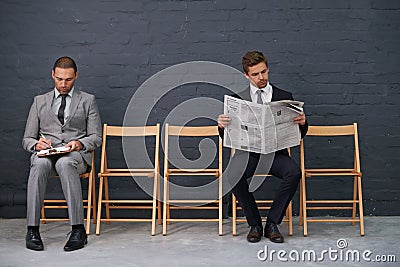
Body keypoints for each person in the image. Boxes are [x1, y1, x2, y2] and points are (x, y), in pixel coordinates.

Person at [218, 51, 308, 243]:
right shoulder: (237, 100)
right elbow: (229, 136)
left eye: (264, 72)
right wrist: (222, 126)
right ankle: (255, 224)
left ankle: (273, 223)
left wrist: (302, 123)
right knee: (232, 174)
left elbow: (299, 135)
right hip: (250, 154)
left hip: (276, 154)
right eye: (255, 74)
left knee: (294, 172)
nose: (261, 78)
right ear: (246, 75)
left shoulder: (285, 96)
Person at [22, 56, 102, 251]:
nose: (63, 84)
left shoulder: (88, 100)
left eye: (68, 79)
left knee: (64, 164)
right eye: (59, 79)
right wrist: (36, 145)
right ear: (53, 75)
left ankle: (78, 230)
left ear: (75, 76)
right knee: (39, 164)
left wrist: (79, 143)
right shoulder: (39, 101)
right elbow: (27, 139)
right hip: (47, 154)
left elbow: (96, 137)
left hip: (75, 156)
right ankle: (32, 229)